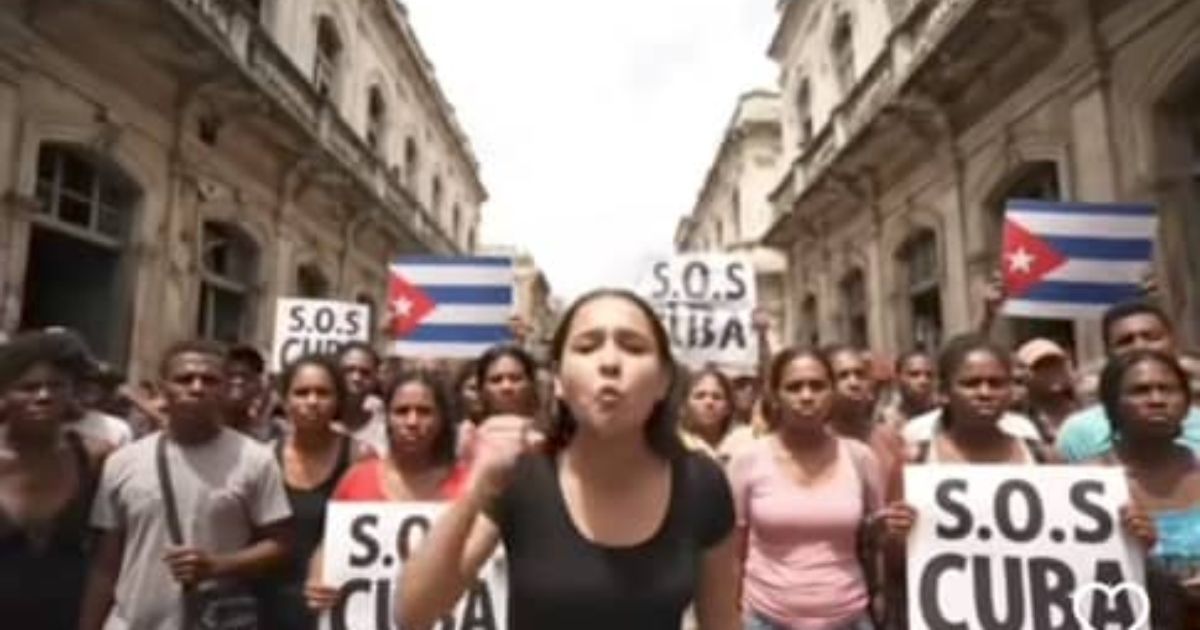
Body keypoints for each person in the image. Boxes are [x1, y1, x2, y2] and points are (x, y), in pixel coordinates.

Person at [398, 289, 739, 630]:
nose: (609, 363)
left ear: (664, 380)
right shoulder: (520, 476)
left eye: (633, 347)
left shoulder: (701, 483)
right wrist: (477, 487)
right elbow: (414, 614)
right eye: (587, 347)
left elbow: (721, 622)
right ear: (558, 378)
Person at [80, 340, 293, 630]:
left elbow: (279, 545)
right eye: (184, 379)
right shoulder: (122, 462)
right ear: (163, 388)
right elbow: (106, 563)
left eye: (209, 380)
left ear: (224, 388)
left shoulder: (256, 460)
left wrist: (218, 565)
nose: (196, 388)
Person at [729, 348, 883, 630]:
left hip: (849, 617)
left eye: (817, 386)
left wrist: (891, 528)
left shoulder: (861, 458)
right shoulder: (747, 460)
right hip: (764, 618)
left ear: (832, 392)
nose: (807, 396)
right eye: (794, 387)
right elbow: (732, 554)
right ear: (775, 395)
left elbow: (876, 542)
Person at [305, 369, 467, 612]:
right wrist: (317, 579)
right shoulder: (357, 479)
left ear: (442, 419)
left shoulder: (470, 486)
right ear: (387, 418)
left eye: (424, 411)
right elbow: (328, 545)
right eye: (401, 411)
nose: (412, 422)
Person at [0, 332, 110, 629]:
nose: (44, 397)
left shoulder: (93, 458)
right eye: (28, 388)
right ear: (4, 395)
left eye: (56, 386)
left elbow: (108, 558)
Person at [1091, 350, 1200, 626]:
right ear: (1112, 405)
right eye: (1140, 391)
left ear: (1187, 403)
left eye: (1168, 390)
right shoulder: (1087, 482)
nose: (1156, 400)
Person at [261, 354, 363, 630]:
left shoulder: (360, 457)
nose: (312, 401)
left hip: (338, 604)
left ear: (338, 400)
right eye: (302, 393)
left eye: (323, 393)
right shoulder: (264, 460)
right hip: (270, 609)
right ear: (284, 399)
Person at [1056, 301, 1200, 461]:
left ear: (1174, 343)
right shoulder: (1079, 433)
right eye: (1125, 341)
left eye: (1151, 337)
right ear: (1108, 352)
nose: (1140, 346)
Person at [823, 345, 905, 478]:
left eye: (860, 375)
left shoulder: (888, 437)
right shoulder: (815, 440)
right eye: (843, 376)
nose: (854, 383)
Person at [335, 342, 389, 456]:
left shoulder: (385, 426)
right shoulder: (319, 420)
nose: (356, 378)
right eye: (349, 370)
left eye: (365, 373)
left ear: (375, 378)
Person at [226, 345, 282, 443]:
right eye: (231, 375)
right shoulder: (205, 428)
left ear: (259, 384)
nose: (238, 381)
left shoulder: (275, 434)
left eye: (245, 376)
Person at [679, 366, 737, 461]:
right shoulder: (677, 447)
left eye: (717, 397)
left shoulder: (741, 445)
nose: (709, 402)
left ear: (728, 407)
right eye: (700, 396)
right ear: (685, 405)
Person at [880, 350, 938, 430]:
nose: (924, 381)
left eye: (929, 375)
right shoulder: (887, 420)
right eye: (914, 374)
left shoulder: (943, 415)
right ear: (898, 378)